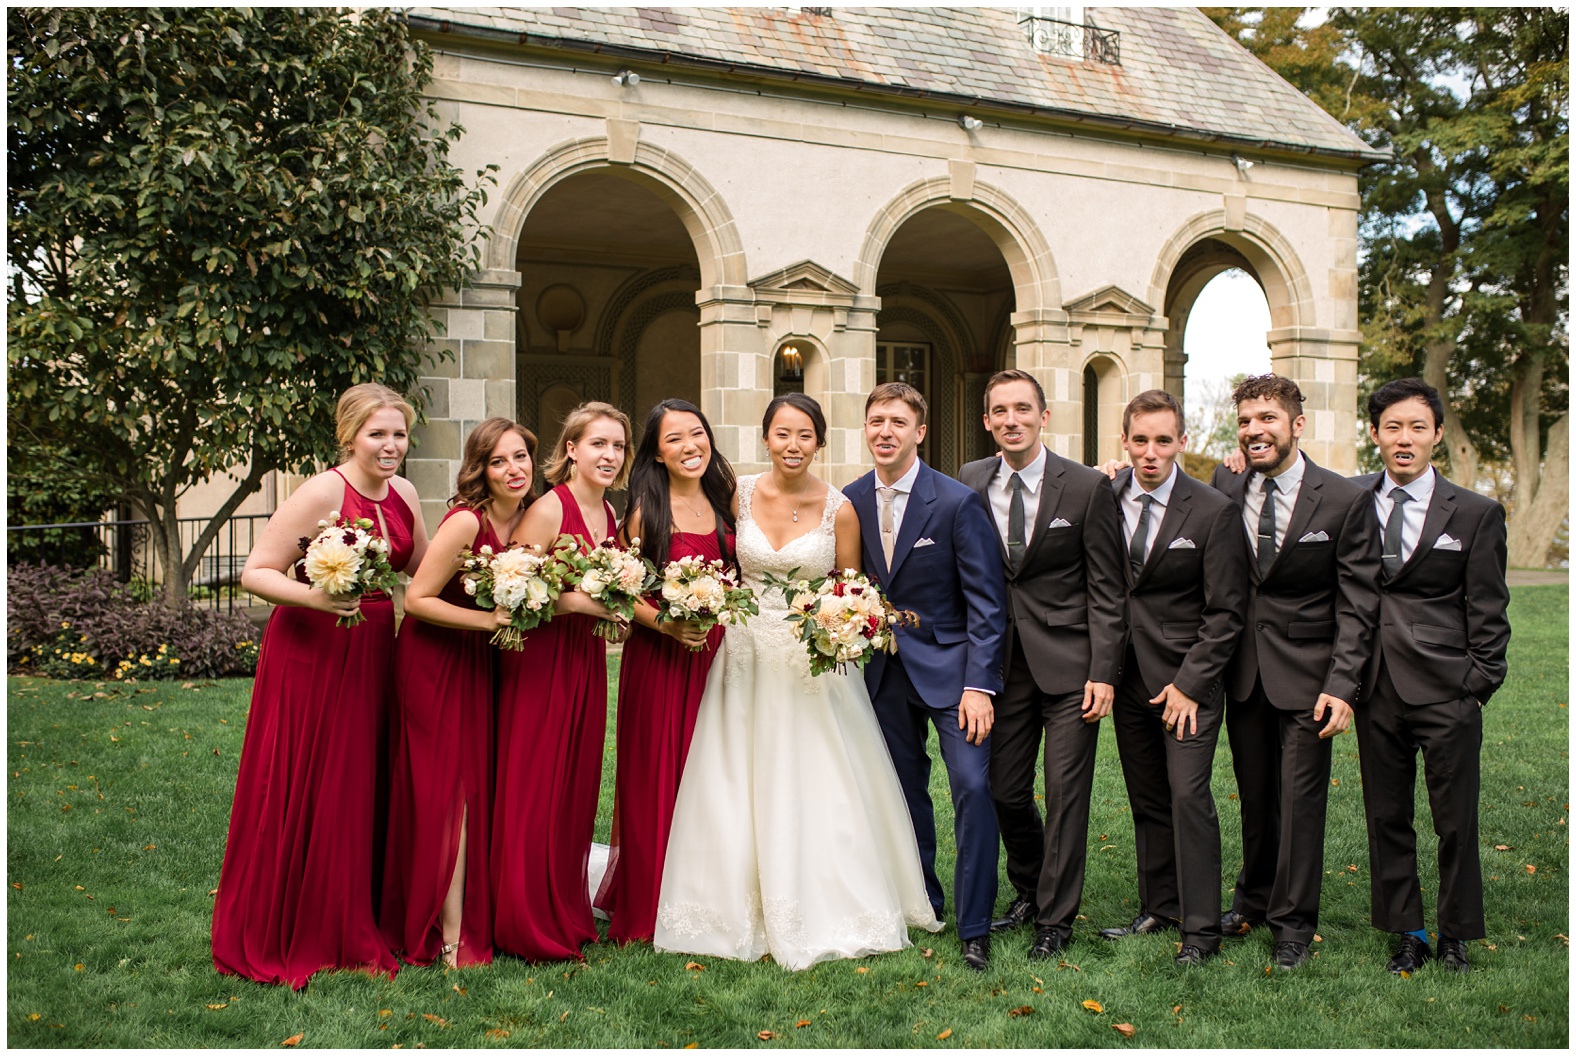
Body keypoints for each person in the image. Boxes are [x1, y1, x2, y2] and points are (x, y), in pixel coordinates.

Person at [654, 393, 942, 970]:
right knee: (735, 774)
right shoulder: (735, 494)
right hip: (745, 653)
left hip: (813, 662)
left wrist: (840, 626)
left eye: (805, 435)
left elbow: (851, 591)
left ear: (820, 442)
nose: (793, 445)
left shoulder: (840, 510)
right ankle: (730, 900)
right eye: (783, 434)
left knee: (824, 773)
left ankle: (834, 895)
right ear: (766, 438)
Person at [213, 382, 428, 988]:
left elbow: (424, 568)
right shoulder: (323, 490)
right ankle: (297, 917)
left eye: (399, 434)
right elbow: (256, 571)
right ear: (350, 435)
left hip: (375, 650)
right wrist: (320, 596)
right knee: (315, 774)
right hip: (313, 651)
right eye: (377, 434)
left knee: (359, 778)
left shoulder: (406, 493)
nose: (390, 446)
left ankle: (354, 908)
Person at [1209, 374, 1380, 970]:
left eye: (1268, 420)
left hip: (1312, 677)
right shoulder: (1225, 487)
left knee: (1300, 801)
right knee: (1257, 799)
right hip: (1245, 674)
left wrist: (1343, 684)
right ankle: (1252, 900)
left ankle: (1293, 926)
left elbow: (1358, 603)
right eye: (1247, 421)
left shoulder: (1341, 499)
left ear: (1296, 425)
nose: (1256, 431)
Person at [956, 370, 1124, 963]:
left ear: (1043, 416)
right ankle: (1029, 886)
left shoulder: (1083, 487)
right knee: (1004, 789)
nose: (1011, 420)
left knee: (1066, 791)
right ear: (987, 421)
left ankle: (1056, 918)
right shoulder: (971, 481)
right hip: (1003, 666)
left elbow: (1108, 587)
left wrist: (1103, 670)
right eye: (999, 410)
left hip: (1072, 666)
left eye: (1022, 409)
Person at [1351, 378, 1510, 974]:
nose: (1404, 438)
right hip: (1375, 688)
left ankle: (1455, 934)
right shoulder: (1351, 500)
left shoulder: (1474, 512)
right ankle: (1409, 932)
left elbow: (1489, 608)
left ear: (1436, 435)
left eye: (1417, 427)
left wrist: (1477, 682)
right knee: (1387, 816)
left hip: (1448, 689)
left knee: (1454, 820)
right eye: (1392, 427)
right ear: (1375, 435)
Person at [849, 383, 1008, 971]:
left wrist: (979, 686)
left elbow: (988, 605)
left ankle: (974, 925)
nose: (884, 431)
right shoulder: (850, 501)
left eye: (897, 421)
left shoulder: (957, 502)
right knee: (901, 793)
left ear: (920, 431)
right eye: (875, 421)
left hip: (953, 673)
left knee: (971, 786)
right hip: (882, 675)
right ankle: (922, 902)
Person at [1094, 390, 1246, 965]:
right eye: (1140, 440)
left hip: (1188, 682)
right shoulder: (1103, 497)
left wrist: (1190, 685)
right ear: (1125, 442)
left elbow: (1226, 611)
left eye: (1163, 440)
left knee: (1188, 796)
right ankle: (1162, 906)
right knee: (1148, 798)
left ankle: (1202, 930)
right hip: (1127, 677)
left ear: (1181, 442)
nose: (1151, 452)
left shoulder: (1211, 510)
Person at [380, 417, 535, 969]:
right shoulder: (467, 522)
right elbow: (417, 599)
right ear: (480, 469)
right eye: (499, 461)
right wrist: (491, 621)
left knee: (479, 784)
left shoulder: (528, 519)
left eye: (520, 457)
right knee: (453, 793)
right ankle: (449, 934)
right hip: (435, 661)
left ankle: (476, 911)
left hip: (483, 662)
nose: (513, 470)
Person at [492, 401, 631, 962]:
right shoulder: (550, 510)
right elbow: (514, 592)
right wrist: (586, 601)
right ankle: (524, 919)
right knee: (536, 788)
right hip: (540, 663)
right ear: (571, 449)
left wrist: (615, 607)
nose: (610, 455)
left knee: (574, 788)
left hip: (584, 663)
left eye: (618, 446)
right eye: (598, 443)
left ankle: (564, 909)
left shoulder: (611, 515)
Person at [595, 399, 736, 944]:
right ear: (656, 450)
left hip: (719, 657)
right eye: (674, 438)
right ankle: (653, 900)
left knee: (714, 777)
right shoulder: (643, 513)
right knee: (660, 775)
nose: (689, 446)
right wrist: (667, 626)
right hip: (660, 659)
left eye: (696, 433)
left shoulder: (726, 506)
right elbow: (621, 593)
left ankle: (708, 893)